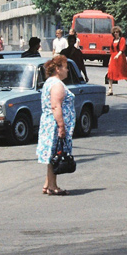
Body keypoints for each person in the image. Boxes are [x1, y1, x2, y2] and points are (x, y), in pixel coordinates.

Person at [37, 55, 75, 196]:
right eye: (66, 68)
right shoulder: (57, 85)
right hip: (54, 125)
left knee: (52, 155)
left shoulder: (50, 82)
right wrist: (61, 126)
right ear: (58, 69)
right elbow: (55, 106)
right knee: (56, 154)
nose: (67, 71)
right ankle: (53, 186)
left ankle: (47, 184)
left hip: (49, 123)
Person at [106, 25, 127, 95]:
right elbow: (111, 51)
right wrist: (110, 59)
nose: (116, 33)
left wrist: (117, 55)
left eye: (117, 32)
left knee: (122, 73)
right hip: (113, 58)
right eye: (114, 32)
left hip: (120, 58)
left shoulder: (122, 39)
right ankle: (110, 89)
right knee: (110, 73)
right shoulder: (113, 40)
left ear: (119, 33)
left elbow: (122, 49)